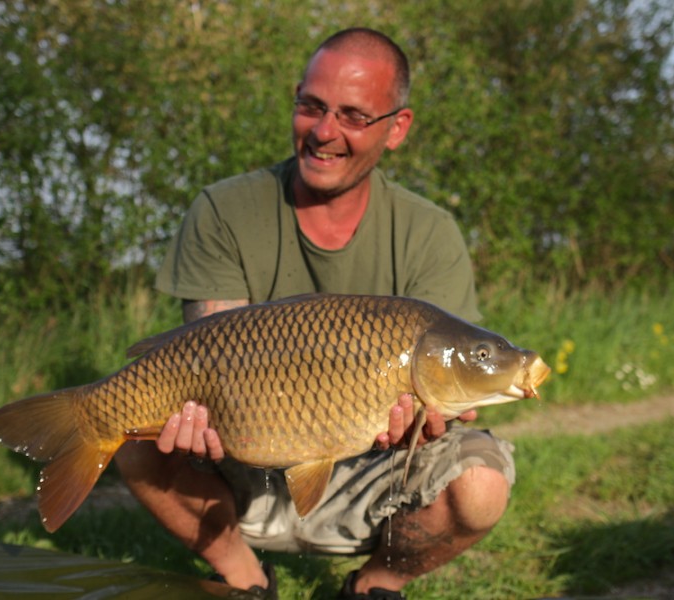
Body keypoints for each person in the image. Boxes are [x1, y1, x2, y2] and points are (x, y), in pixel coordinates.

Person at [115, 27, 515, 600]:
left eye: (353, 116)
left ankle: (376, 584)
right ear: (296, 99)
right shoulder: (225, 210)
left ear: (396, 127)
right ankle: (243, 576)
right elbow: (210, 352)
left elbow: (441, 394)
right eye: (312, 107)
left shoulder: (429, 232)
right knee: (128, 432)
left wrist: (434, 416)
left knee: (480, 485)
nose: (325, 132)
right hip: (245, 455)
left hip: (374, 468)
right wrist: (201, 420)